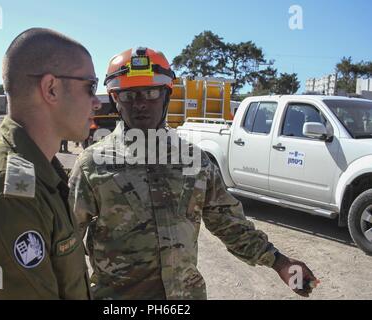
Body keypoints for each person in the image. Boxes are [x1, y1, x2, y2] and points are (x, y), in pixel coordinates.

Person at [68, 47, 318, 300]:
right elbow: (67, 241)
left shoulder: (195, 161)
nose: (141, 103)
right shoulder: (93, 165)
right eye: (129, 95)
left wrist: (281, 263)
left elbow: (228, 223)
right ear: (115, 98)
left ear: (167, 94)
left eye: (151, 92)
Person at [0, 28, 101, 299]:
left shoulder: (39, 173)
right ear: (51, 89)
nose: (97, 102)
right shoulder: (5, 198)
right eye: (90, 86)